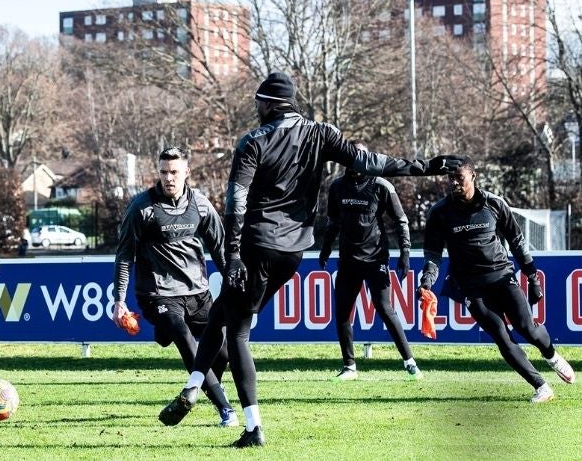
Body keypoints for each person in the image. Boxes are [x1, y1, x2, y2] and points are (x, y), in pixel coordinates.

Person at [158, 72, 464, 447]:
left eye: (259, 102)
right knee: (223, 311)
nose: (256, 108)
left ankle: (253, 428)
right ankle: (191, 388)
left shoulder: (253, 141)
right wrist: (427, 166)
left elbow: (236, 203)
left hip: (257, 244)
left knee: (237, 331)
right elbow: (372, 162)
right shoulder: (322, 133)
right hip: (294, 252)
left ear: (271, 103)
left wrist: (233, 253)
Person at [417, 159, 575, 402]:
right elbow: (433, 255)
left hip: (502, 277)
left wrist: (532, 277)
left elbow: (517, 241)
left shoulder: (494, 204)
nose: (455, 182)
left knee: (528, 328)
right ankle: (541, 386)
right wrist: (427, 280)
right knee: (501, 336)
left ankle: (551, 355)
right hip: (470, 286)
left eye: (459, 177)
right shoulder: (439, 212)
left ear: (473, 176)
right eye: (451, 178)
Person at [113, 146, 237, 427]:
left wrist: (232, 283)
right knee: (184, 337)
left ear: (186, 173)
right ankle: (226, 410)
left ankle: (198, 385)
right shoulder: (141, 207)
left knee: (224, 351)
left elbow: (220, 249)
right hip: (158, 294)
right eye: (164, 172)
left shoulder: (201, 204)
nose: (168, 178)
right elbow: (124, 256)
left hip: (197, 293)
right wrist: (119, 300)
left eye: (174, 172)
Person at [318, 141, 421, 381]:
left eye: (361, 158)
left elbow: (401, 221)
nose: (355, 163)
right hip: (348, 260)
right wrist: (325, 249)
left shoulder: (381, 185)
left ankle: (410, 362)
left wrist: (405, 253)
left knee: (385, 309)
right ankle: (349, 366)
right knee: (342, 312)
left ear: (369, 159)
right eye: (351, 158)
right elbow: (333, 222)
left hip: (376, 260)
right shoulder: (337, 187)